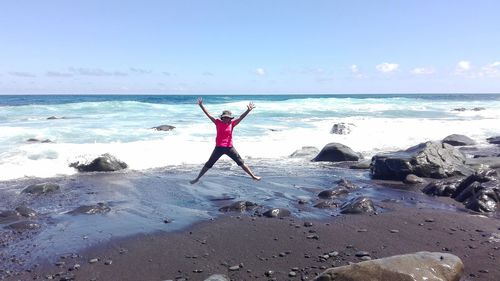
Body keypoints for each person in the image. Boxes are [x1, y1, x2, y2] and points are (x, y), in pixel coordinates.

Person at [190, 97, 261, 184]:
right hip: (219, 148)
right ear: (222, 118)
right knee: (209, 164)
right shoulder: (217, 122)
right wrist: (201, 106)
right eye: (224, 117)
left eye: (227, 117)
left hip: (230, 148)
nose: (226, 119)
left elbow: (241, 117)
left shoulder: (232, 124)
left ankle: (253, 176)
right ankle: (197, 178)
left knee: (241, 162)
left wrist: (248, 110)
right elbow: (208, 114)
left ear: (230, 118)